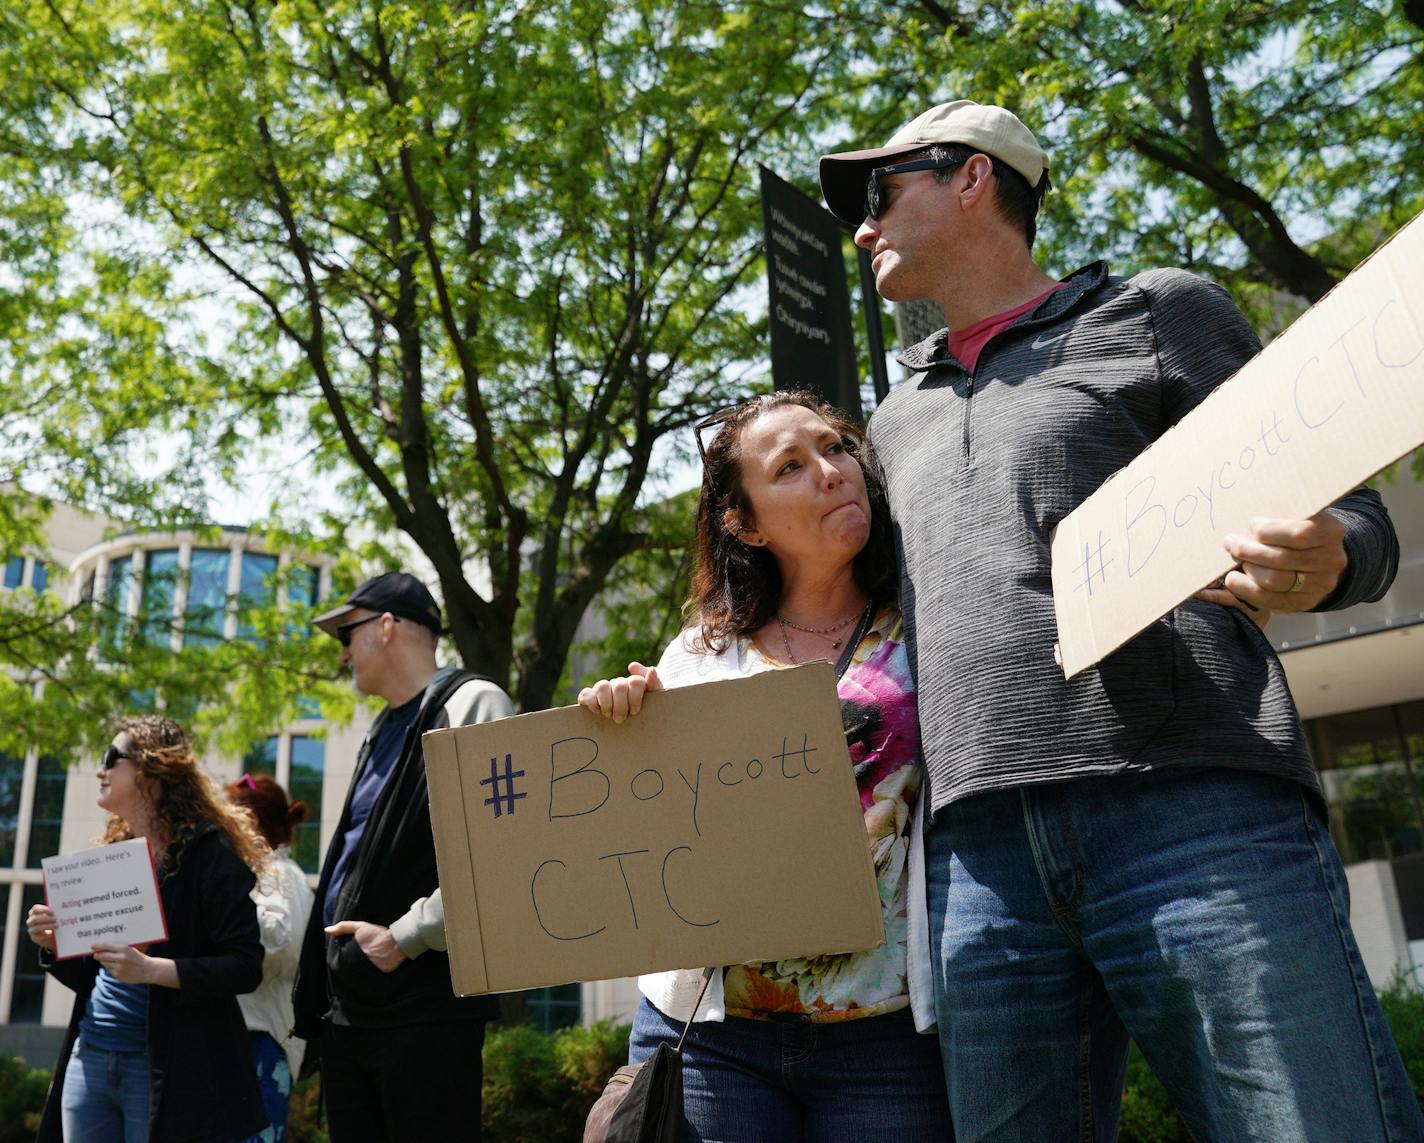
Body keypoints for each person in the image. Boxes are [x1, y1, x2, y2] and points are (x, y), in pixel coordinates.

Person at [817, 99, 1423, 1141]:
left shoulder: (1158, 312)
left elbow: (1358, 519)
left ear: (972, 178)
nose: (860, 229)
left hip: (1193, 810)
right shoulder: (888, 417)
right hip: (975, 861)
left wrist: (1328, 558)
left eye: (879, 193)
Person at [579, 390, 952, 1142]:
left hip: (884, 1039)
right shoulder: (698, 653)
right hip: (713, 1037)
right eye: (790, 465)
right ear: (742, 522)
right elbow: (649, 823)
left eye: (837, 448)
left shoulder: (929, 621)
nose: (832, 472)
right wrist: (624, 723)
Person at [292, 571, 514, 1141]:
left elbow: (501, 855)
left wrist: (404, 938)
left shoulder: (474, 701)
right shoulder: (384, 727)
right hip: (352, 1010)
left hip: (423, 1011)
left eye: (347, 634)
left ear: (386, 626)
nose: (342, 655)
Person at [26, 715, 268, 1142]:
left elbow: (245, 967)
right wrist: (54, 944)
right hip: (91, 1053)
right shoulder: (113, 855)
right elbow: (94, 974)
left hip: (166, 1067)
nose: (100, 770)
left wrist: (152, 970)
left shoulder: (210, 857)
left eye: (111, 758)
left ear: (152, 770)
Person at [226, 773, 315, 1143]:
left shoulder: (282, 874)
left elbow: (281, 946)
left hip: (262, 1039)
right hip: (235, 1036)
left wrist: (225, 905)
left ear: (250, 821)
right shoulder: (249, 873)